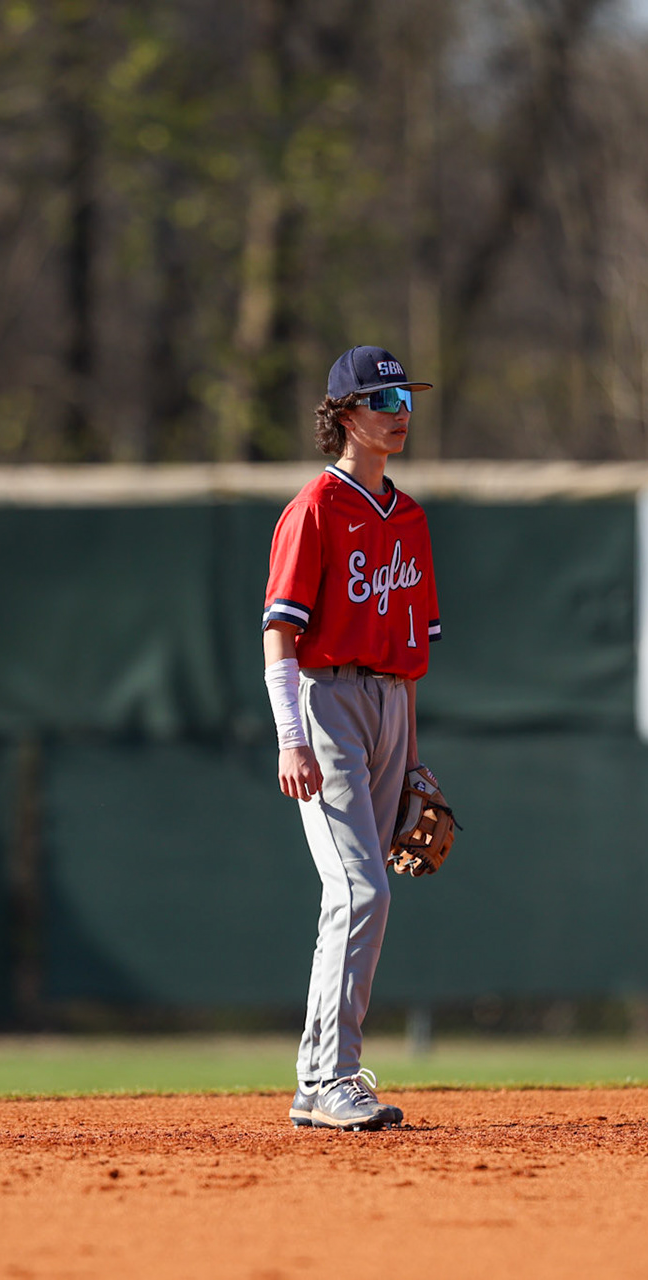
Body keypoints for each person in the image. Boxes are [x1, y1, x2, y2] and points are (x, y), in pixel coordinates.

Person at [262, 345, 440, 1131]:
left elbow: (414, 643)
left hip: (391, 703)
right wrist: (289, 737)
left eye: (405, 398)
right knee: (361, 889)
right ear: (343, 415)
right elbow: (280, 633)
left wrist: (413, 754)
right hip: (326, 703)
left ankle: (315, 1078)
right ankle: (332, 1078)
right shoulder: (313, 509)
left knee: (360, 894)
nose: (399, 412)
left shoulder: (409, 517)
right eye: (383, 399)